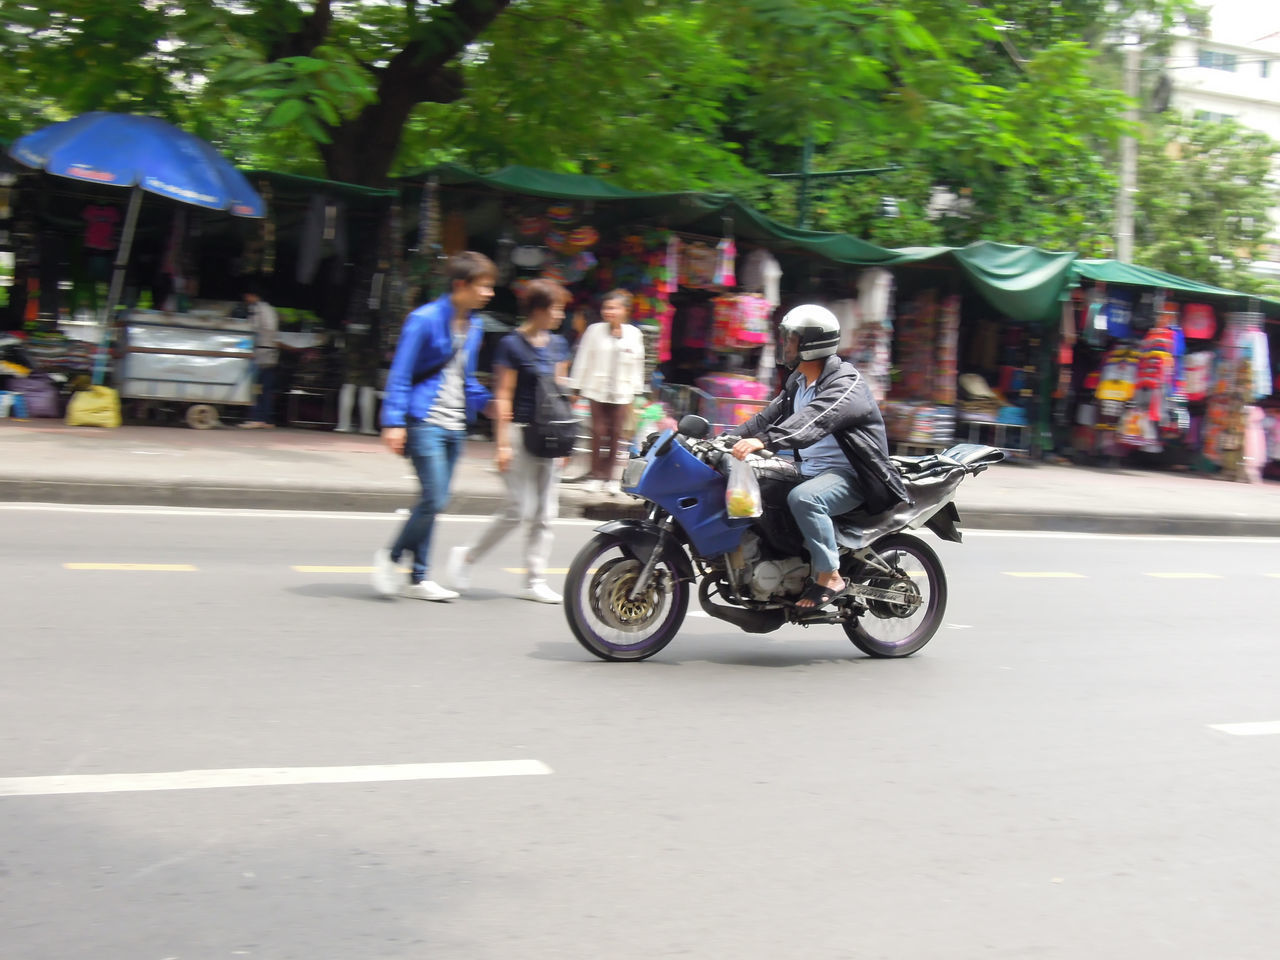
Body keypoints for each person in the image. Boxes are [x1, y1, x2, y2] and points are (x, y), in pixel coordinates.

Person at [727, 304, 908, 609]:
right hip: (809, 470)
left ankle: (830, 576)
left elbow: (813, 421)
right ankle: (782, 564)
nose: (785, 345)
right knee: (758, 489)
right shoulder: (797, 383)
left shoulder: (845, 384)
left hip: (854, 475)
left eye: (791, 339)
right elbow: (763, 420)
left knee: (804, 499)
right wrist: (722, 439)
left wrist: (764, 441)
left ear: (811, 344)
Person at [371, 252, 495, 601]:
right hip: (424, 419)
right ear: (461, 285)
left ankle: (420, 576)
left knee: (432, 501)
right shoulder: (423, 319)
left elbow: (464, 377)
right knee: (435, 497)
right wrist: (393, 422)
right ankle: (390, 557)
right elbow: (401, 372)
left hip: (455, 424)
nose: (489, 293)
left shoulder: (475, 326)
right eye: (484, 286)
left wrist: (489, 403)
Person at [446, 279, 571, 604]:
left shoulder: (558, 345)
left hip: (551, 435)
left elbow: (561, 393)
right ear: (539, 309)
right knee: (520, 508)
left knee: (546, 512)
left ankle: (534, 580)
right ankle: (467, 556)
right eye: (556, 308)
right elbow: (503, 395)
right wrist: (501, 443)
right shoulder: (511, 345)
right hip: (519, 431)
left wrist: (565, 440)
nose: (560, 315)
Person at [567, 289, 646, 496]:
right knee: (598, 432)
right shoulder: (594, 330)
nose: (608, 312)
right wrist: (577, 385)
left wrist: (637, 390)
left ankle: (611, 478)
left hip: (622, 392)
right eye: (606, 307)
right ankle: (596, 475)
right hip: (596, 389)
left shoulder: (634, 334)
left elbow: (638, 364)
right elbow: (583, 357)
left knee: (616, 434)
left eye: (614, 308)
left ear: (625, 310)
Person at [239, 286, 280, 428]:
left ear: (252, 296)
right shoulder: (270, 309)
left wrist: (245, 347)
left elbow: (252, 329)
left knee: (256, 387)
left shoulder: (257, 309)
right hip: (271, 352)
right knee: (266, 388)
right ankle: (267, 419)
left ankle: (256, 417)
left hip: (260, 352)